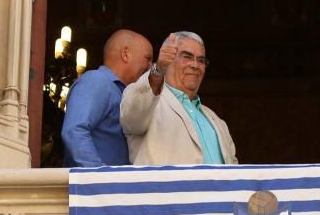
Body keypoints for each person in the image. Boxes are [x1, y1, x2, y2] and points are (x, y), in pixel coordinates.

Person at [121, 31, 237, 165]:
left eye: (201, 60)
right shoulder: (147, 103)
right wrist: (158, 70)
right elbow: (132, 119)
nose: (195, 65)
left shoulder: (216, 121)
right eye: (187, 57)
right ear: (167, 60)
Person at [61, 29, 153, 167]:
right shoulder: (96, 80)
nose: (150, 67)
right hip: (95, 187)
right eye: (148, 58)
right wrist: (100, 177)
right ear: (126, 54)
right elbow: (75, 131)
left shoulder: (125, 93)